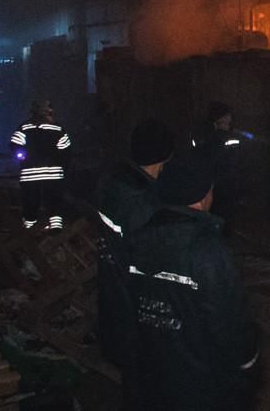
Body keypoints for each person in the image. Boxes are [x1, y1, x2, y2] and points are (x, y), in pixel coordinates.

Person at [129, 154, 259, 410]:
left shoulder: (138, 240)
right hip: (202, 386)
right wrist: (248, 365)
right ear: (203, 196)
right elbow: (229, 322)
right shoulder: (208, 251)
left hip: (152, 379)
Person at [93, 118, 176, 409]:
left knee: (134, 386)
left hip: (115, 306)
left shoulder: (114, 186)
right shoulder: (143, 204)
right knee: (149, 390)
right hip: (140, 321)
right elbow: (156, 269)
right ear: (165, 156)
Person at [11, 99, 71, 230]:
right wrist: (59, 163)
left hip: (30, 175)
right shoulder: (58, 128)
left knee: (30, 201)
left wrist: (23, 159)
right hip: (53, 175)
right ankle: (56, 228)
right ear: (50, 112)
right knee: (54, 201)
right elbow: (65, 151)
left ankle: (29, 228)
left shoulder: (24, 128)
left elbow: (15, 146)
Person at [191, 101, 243, 224]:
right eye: (226, 116)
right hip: (214, 184)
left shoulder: (228, 137)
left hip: (223, 185)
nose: (229, 119)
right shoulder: (206, 136)